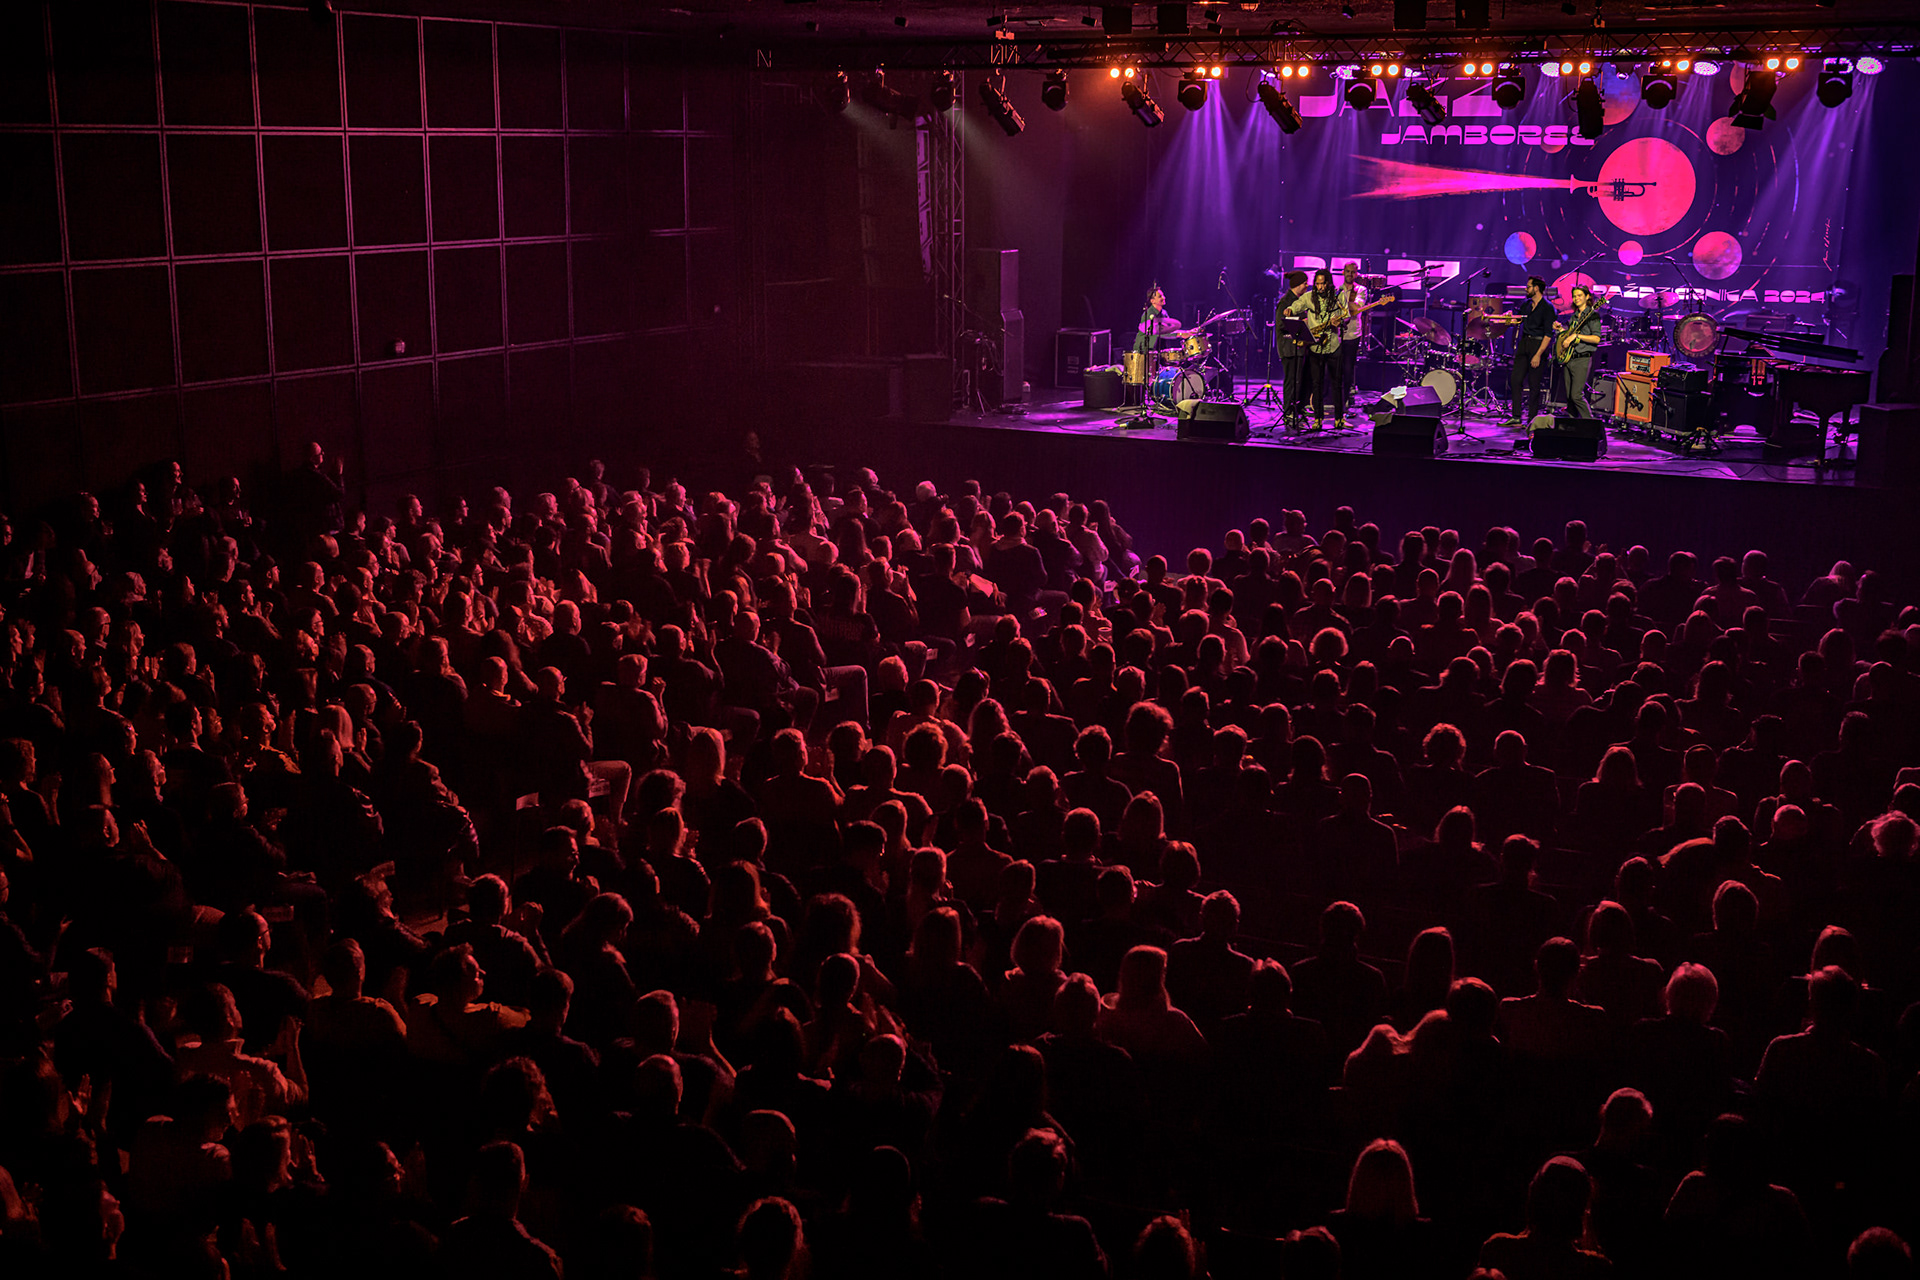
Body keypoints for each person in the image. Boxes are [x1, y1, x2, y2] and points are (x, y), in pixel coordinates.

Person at [1507, 275, 1557, 429]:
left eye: (1528, 286)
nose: (1526, 289)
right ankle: (1516, 416)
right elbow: (1519, 320)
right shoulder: (1526, 304)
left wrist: (1538, 354)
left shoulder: (1548, 307)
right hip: (1525, 343)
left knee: (1534, 384)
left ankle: (1532, 418)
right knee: (1515, 380)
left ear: (1536, 288)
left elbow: (1548, 334)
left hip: (1538, 345)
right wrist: (1509, 318)